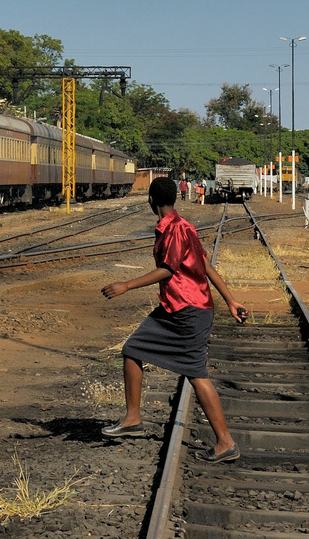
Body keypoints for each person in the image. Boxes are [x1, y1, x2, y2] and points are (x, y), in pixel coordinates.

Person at [99, 176, 249, 463]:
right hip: (176, 308)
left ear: (151, 200)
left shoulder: (175, 231)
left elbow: (168, 269)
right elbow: (206, 266)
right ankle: (132, 418)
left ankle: (226, 442)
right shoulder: (183, 226)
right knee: (132, 350)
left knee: (196, 373)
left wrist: (126, 285)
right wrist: (231, 301)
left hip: (188, 311)